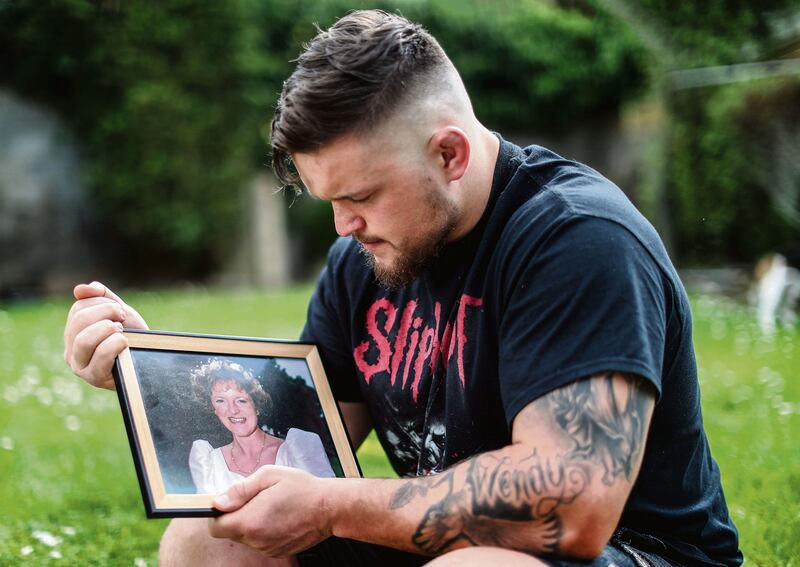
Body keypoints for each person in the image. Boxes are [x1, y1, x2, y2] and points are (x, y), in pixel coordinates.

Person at [63, 9, 743, 567]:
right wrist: (148, 368)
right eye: (329, 200)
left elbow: (571, 508)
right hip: (450, 544)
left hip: (634, 551)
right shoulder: (361, 261)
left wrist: (329, 506)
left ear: (449, 154)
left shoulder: (578, 239)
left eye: (360, 196)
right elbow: (301, 436)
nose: (343, 225)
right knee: (208, 539)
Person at [188, 358, 335, 495]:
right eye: (221, 401)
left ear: (256, 405)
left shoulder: (298, 449)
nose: (232, 410)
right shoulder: (209, 463)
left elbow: (327, 503)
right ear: (214, 409)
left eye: (241, 400)